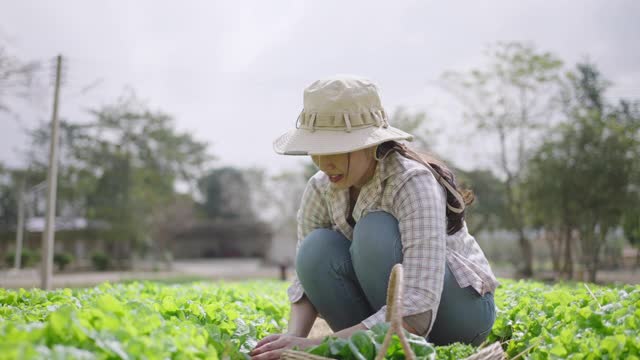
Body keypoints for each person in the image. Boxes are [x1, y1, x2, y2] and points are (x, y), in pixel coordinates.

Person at [251, 75, 498, 360]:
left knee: (374, 230)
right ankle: (371, 348)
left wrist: (319, 346)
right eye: (316, 148)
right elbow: (306, 281)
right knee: (315, 249)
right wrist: (292, 340)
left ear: (371, 143)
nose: (324, 162)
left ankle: (375, 344)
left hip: (457, 314)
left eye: (337, 149)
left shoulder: (412, 181)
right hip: (383, 318)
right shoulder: (320, 187)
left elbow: (417, 311)